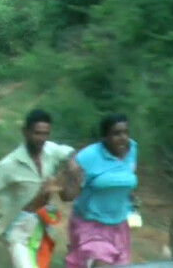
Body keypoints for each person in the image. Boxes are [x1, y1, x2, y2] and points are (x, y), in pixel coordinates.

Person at [0, 109, 79, 268]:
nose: (41, 139)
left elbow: (69, 152)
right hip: (10, 234)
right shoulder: (8, 165)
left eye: (45, 134)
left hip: (38, 232)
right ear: (25, 132)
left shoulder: (50, 150)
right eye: (36, 133)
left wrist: (72, 162)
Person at [64, 113, 138, 268]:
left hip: (119, 225)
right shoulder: (88, 156)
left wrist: (131, 203)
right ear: (104, 137)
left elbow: (126, 178)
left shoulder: (131, 149)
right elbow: (67, 196)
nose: (123, 137)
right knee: (101, 263)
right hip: (90, 224)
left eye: (125, 132)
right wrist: (73, 177)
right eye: (116, 134)